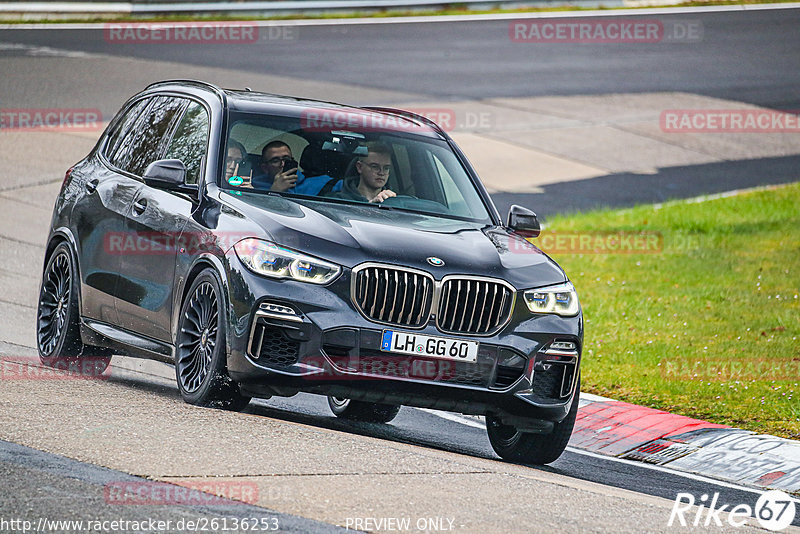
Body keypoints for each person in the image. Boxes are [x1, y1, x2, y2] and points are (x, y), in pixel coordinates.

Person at [330, 142, 396, 203]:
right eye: (375, 167)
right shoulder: (338, 200)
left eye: (386, 168)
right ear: (359, 167)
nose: (381, 173)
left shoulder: (395, 202)